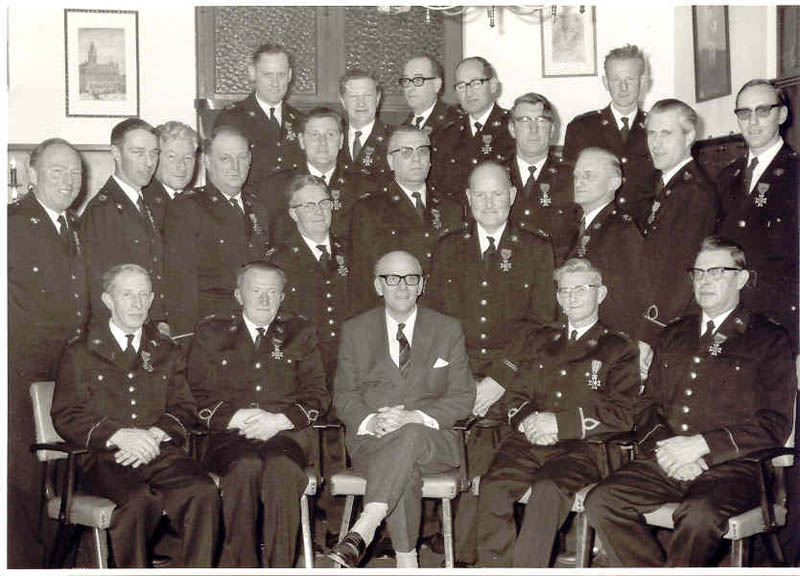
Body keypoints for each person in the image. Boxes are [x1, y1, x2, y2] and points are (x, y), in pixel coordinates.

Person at [585, 236, 797, 567]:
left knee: (698, 515)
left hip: (735, 467)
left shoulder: (769, 338)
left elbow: (775, 423)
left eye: (717, 272)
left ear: (741, 278)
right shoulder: (673, 334)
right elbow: (646, 405)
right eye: (698, 273)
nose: (704, 281)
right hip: (667, 459)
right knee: (601, 501)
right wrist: (669, 449)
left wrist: (702, 447)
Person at [426, 160, 558, 565]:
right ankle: (466, 549)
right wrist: (462, 379)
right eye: (480, 195)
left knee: (491, 453)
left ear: (512, 196)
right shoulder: (449, 247)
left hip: (517, 373)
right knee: (462, 446)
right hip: (460, 372)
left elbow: (541, 323)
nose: (488, 203)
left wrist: (500, 378)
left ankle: (467, 553)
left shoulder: (536, 247)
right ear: (468, 199)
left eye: (497, 194)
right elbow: (435, 321)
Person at [52, 264, 220, 568]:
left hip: (158, 450)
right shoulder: (81, 350)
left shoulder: (166, 349)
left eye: (144, 295)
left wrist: (154, 435)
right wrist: (118, 435)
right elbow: (67, 414)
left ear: (152, 299)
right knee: (139, 501)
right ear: (108, 300)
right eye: (127, 295)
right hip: (103, 458)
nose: (137, 303)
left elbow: (184, 407)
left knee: (203, 491)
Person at [476, 258, 640, 567]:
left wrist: (559, 424)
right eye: (565, 291)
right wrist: (528, 422)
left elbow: (623, 413)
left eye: (582, 289)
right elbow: (516, 395)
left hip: (581, 449)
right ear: (558, 297)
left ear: (601, 294)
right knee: (493, 486)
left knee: (547, 491)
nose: (572, 298)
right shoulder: (540, 339)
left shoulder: (618, 347)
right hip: (527, 442)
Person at [327, 251, 474, 568]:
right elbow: (344, 395)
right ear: (378, 285)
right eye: (392, 279)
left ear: (422, 284)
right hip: (373, 442)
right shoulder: (356, 330)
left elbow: (463, 397)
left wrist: (415, 418)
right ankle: (407, 563)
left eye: (411, 278)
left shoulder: (447, 328)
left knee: (409, 434)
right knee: (403, 468)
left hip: (433, 442)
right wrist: (371, 420)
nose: (403, 286)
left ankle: (367, 523)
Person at [188, 262, 330, 567]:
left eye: (272, 292)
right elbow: (194, 392)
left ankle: (280, 566)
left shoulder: (300, 333)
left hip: (286, 435)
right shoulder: (211, 333)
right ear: (239, 295)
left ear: (282, 297)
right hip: (228, 436)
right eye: (256, 291)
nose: (264, 299)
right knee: (244, 467)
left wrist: (279, 421)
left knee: (282, 469)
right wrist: (235, 418)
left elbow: (317, 394)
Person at [7, 138, 89, 567]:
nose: (68, 180)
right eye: (57, 171)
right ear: (32, 173)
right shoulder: (13, 224)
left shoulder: (71, 224)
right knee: (22, 480)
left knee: (58, 475)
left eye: (75, 172)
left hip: (63, 373)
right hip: (19, 375)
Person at [163, 125, 272, 336]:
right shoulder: (188, 207)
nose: (235, 166)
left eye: (241, 157)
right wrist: (186, 337)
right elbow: (180, 282)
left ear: (250, 160)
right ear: (208, 162)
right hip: (210, 329)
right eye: (225, 158)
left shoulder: (258, 208)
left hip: (254, 327)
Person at [715, 79, 799, 352]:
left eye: (763, 111)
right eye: (744, 113)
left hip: (782, 324)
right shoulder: (726, 177)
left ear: (782, 115)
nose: (752, 121)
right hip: (732, 319)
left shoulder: (795, 173)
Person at [349, 125, 463, 314]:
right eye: (406, 152)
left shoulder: (452, 207)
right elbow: (362, 278)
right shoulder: (369, 209)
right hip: (392, 315)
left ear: (430, 159)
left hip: (442, 315)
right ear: (391, 161)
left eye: (422, 151)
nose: (416, 159)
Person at [640, 99, 718, 342]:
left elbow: (679, 272)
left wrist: (650, 331)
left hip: (671, 325)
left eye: (666, 134)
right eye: (651, 133)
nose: (656, 143)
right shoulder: (669, 184)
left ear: (689, 136)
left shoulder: (693, 192)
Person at [80, 118, 168, 327]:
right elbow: (101, 286)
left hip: (148, 323)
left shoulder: (147, 202)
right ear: (116, 153)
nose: (149, 162)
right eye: (138, 152)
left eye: (154, 153)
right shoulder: (102, 211)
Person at [563, 44, 656, 225]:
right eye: (615, 80)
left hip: (642, 228)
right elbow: (569, 187)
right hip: (596, 227)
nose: (623, 87)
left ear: (643, 82)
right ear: (605, 82)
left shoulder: (654, 127)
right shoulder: (582, 128)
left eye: (630, 79)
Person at [566, 147, 648, 341]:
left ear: (614, 183)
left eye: (588, 175)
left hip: (605, 340)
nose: (579, 182)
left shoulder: (623, 230)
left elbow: (630, 299)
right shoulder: (577, 226)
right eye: (576, 176)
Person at [261, 107, 371, 246]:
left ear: (341, 140)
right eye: (314, 135)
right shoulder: (277, 186)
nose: (322, 142)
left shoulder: (364, 186)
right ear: (302, 141)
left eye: (330, 134)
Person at [214, 43, 304, 192]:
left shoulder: (300, 120)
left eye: (281, 75)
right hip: (250, 204)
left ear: (289, 75)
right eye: (268, 75)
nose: (275, 83)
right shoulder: (232, 118)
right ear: (252, 73)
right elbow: (218, 174)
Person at [505, 92, 578, 261]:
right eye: (525, 120)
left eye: (541, 121)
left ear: (552, 130)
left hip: (556, 270)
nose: (533, 129)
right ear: (512, 129)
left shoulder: (573, 176)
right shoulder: (494, 174)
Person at [434, 57, 515, 204]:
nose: (468, 93)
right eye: (461, 86)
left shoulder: (514, 128)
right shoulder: (446, 135)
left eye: (476, 83)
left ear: (493, 85)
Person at [143, 121, 199, 233]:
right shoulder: (142, 203)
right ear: (155, 159)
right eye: (171, 157)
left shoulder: (200, 202)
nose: (181, 166)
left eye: (188, 158)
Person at [399, 54, 460, 157]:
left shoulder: (454, 123)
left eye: (418, 80)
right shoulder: (401, 129)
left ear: (437, 85)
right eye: (406, 80)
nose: (410, 87)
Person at [337, 69, 391, 182]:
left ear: (377, 99)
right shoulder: (333, 138)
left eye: (367, 95)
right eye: (353, 96)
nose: (361, 103)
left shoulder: (394, 138)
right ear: (343, 101)